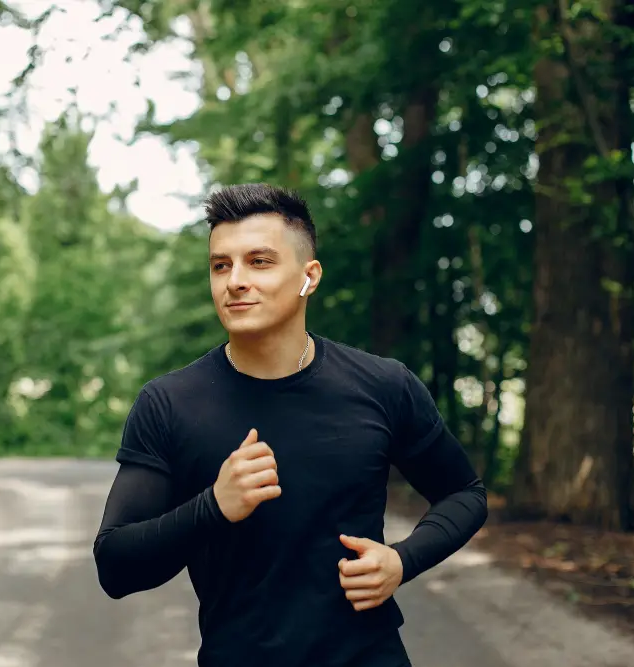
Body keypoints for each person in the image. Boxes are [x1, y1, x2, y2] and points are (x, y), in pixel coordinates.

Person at [93, 183, 488, 667]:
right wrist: (214, 506)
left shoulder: (383, 385)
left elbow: (465, 493)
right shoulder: (169, 403)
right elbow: (115, 566)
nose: (235, 280)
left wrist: (403, 560)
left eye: (259, 261)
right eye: (221, 265)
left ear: (309, 277)